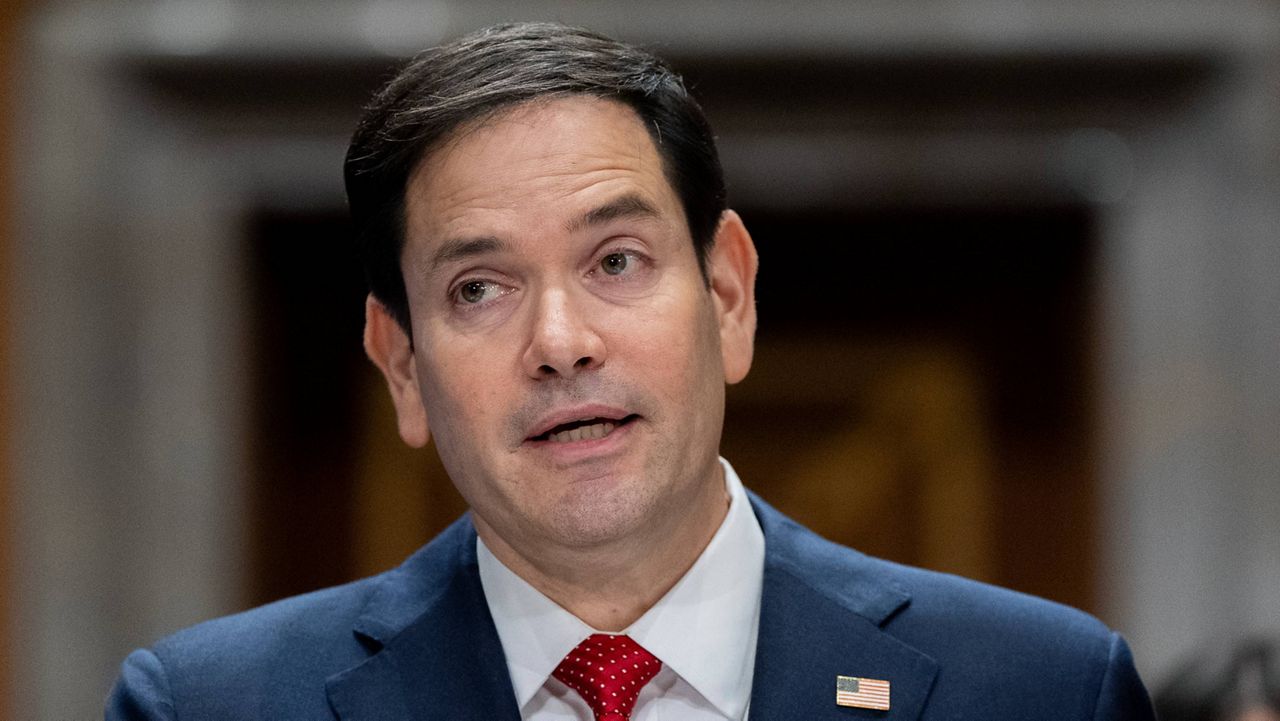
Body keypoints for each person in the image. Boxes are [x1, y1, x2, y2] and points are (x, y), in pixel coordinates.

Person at [106, 22, 1156, 720]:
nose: (560, 340)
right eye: (479, 287)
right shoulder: (211, 705)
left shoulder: (1039, 688)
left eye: (616, 262)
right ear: (401, 367)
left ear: (728, 296)